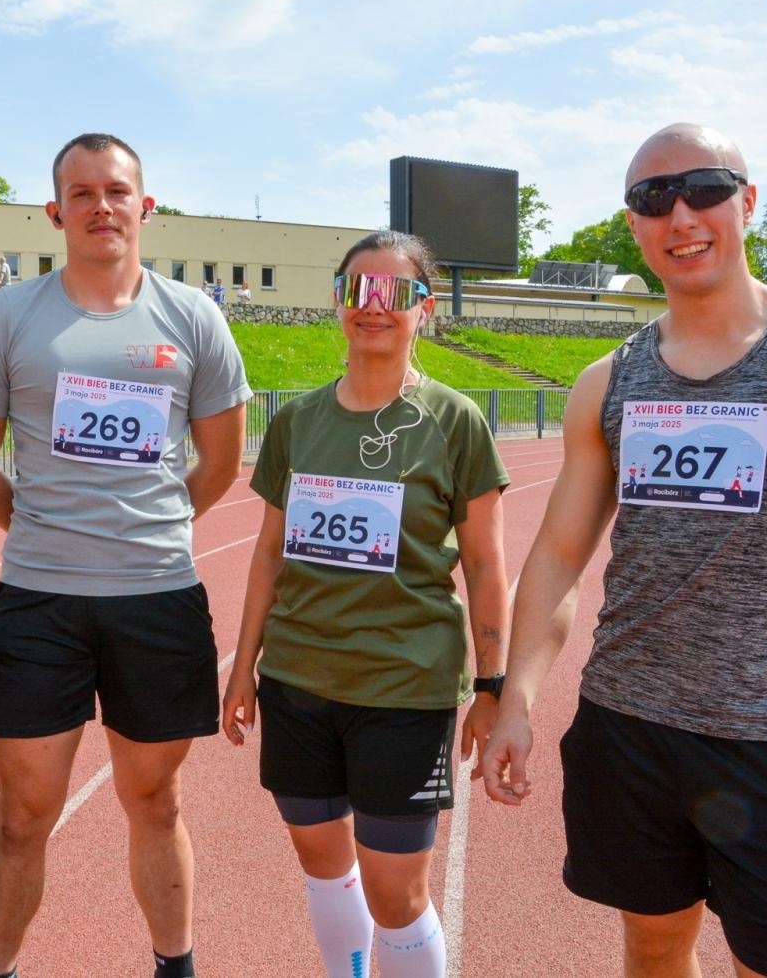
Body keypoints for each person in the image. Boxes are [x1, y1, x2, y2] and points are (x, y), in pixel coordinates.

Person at [480, 123, 767, 978]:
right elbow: (556, 558)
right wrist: (516, 699)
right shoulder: (608, 381)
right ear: (635, 226)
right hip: (629, 731)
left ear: (747, 202)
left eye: (704, 189)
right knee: (653, 946)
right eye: (654, 199)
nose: (680, 214)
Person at [0, 132, 250, 978]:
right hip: (37, 601)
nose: (101, 207)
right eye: (81, 194)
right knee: (22, 815)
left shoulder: (193, 317)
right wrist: (41, 528)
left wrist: (149, 524)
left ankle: (174, 966)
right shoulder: (8, 315)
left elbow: (222, 461)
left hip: (156, 596)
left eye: (116, 191)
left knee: (155, 801)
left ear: (145, 207)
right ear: (55, 212)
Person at [222, 231, 510, 978]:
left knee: (395, 890)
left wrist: (493, 685)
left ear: (425, 307)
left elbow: (484, 562)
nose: (371, 308)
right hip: (297, 682)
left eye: (392, 293)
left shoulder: (455, 423)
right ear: (338, 303)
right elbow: (266, 551)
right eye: (357, 291)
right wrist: (243, 665)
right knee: (322, 866)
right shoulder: (297, 421)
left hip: (403, 689)